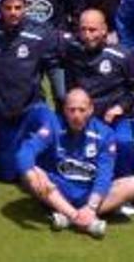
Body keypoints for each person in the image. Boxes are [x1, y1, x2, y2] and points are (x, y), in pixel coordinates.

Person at [17, 88, 134, 238]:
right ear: (64, 110)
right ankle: (80, 218)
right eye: (71, 110)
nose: (76, 115)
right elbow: (26, 151)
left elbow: (105, 175)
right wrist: (30, 172)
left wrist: (91, 207)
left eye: (81, 110)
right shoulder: (54, 125)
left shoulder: (105, 134)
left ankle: (68, 218)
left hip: (90, 195)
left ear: (91, 109)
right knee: (31, 173)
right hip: (58, 192)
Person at [0, 0, 62, 182]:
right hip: (2, 113)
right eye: (8, 8)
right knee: (8, 175)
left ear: (26, 8)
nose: (13, 12)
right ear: (0, 8)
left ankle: (58, 170)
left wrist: (62, 95)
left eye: (18, 7)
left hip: (31, 108)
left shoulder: (40, 34)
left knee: (54, 124)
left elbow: (54, 64)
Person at [60, 9, 134, 177]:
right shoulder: (72, 52)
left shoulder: (123, 55)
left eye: (92, 30)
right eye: (83, 29)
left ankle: (126, 188)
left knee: (124, 143)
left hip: (114, 118)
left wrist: (121, 107)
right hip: (83, 117)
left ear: (104, 30)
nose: (87, 35)